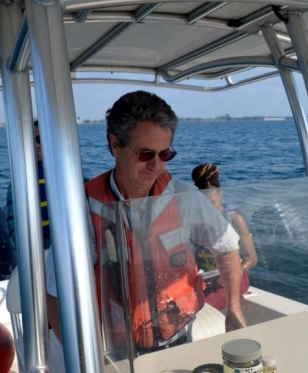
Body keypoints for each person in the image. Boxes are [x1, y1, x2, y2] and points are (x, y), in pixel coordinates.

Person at [46, 91, 246, 352]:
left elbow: (227, 246)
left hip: (180, 337)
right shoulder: (83, 208)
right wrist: (82, 360)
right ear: (115, 145)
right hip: (112, 348)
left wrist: (234, 308)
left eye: (165, 155)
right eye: (145, 154)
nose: (156, 165)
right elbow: (55, 293)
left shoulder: (184, 197)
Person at [191, 163, 257, 310]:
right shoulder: (196, 221)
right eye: (204, 204)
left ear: (220, 195)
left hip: (235, 279)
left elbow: (252, 259)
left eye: (212, 203)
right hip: (207, 278)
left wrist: (235, 271)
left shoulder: (234, 218)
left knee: (202, 307)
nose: (209, 208)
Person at [6, 120, 51, 250]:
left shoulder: (69, 174)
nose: (36, 145)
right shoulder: (19, 181)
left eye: (39, 139)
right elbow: (13, 224)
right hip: (38, 253)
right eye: (31, 141)